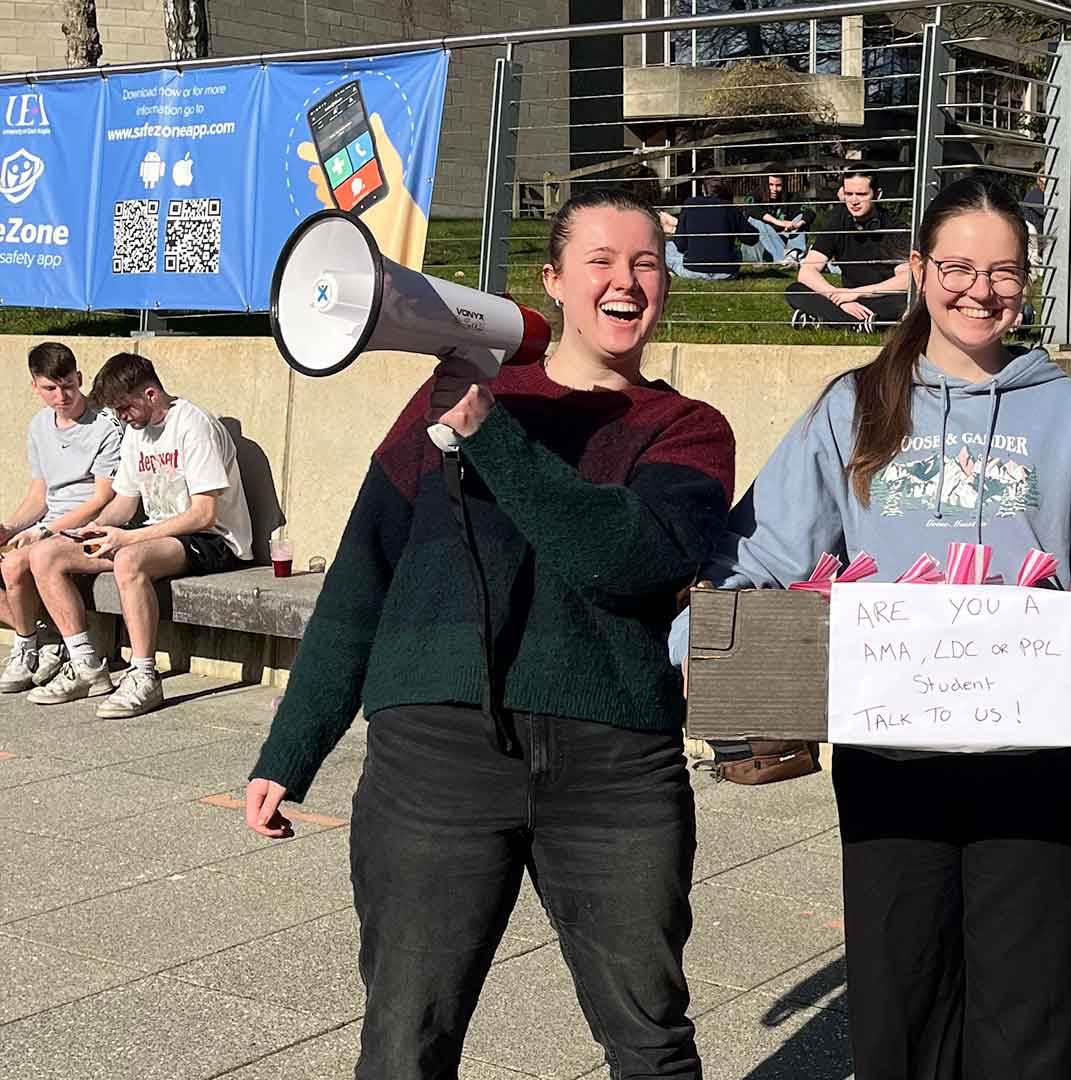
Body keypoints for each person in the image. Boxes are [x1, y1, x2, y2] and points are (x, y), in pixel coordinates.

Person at [690, 176, 1071, 1080]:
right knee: (901, 1005)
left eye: (1004, 272)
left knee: (1028, 1013)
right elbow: (768, 549)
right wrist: (700, 645)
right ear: (918, 269)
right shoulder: (855, 405)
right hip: (890, 760)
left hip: (1039, 760)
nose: (981, 291)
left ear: (1027, 281)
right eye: (958, 268)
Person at [243, 188, 735, 1079]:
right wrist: (291, 748)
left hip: (616, 766)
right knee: (406, 1034)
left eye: (646, 263)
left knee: (650, 1036)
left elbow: (627, 562)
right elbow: (362, 577)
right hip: (435, 752)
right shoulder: (441, 408)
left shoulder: (688, 430)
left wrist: (487, 434)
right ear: (552, 281)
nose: (625, 282)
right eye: (599, 261)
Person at [22, 353, 251, 718]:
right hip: (158, 533)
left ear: (150, 394)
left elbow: (204, 514)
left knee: (129, 559)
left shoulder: (194, 425)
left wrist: (128, 539)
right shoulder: (135, 432)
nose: (121, 417)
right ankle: (86, 666)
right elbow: (124, 505)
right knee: (46, 554)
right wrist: (94, 528)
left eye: (124, 407)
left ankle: (144, 676)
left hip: (213, 539)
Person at [0, 342, 123, 693]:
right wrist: (11, 528)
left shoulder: (105, 425)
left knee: (14, 565)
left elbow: (102, 498)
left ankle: (32, 646)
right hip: (49, 524)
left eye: (68, 385)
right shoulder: (39, 426)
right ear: (34, 386)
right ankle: (40, 641)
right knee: (9, 557)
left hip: (88, 525)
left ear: (79, 378)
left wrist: (43, 531)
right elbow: (39, 494)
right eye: (50, 388)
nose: (61, 396)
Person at [786, 169, 911, 332]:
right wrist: (838, 298)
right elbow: (807, 271)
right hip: (845, 299)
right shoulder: (837, 221)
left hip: (879, 296)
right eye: (849, 194)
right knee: (795, 290)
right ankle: (862, 323)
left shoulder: (894, 227)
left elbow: (907, 279)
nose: (853, 201)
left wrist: (857, 293)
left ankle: (826, 319)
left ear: (877, 195)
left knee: (907, 300)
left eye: (861, 194)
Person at [662, 175, 752, 281]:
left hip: (693, 272)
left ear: (703, 189)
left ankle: (673, 269)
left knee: (666, 245)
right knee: (736, 250)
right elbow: (752, 238)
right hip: (726, 273)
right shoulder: (730, 209)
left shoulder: (690, 205)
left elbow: (680, 244)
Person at [744, 172, 816, 266]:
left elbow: (809, 212)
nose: (774, 189)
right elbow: (751, 210)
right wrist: (779, 222)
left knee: (801, 218)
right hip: (760, 245)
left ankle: (795, 253)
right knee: (756, 220)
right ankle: (784, 259)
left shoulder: (790, 197)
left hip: (782, 239)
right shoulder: (755, 195)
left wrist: (798, 224)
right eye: (771, 185)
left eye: (778, 185)